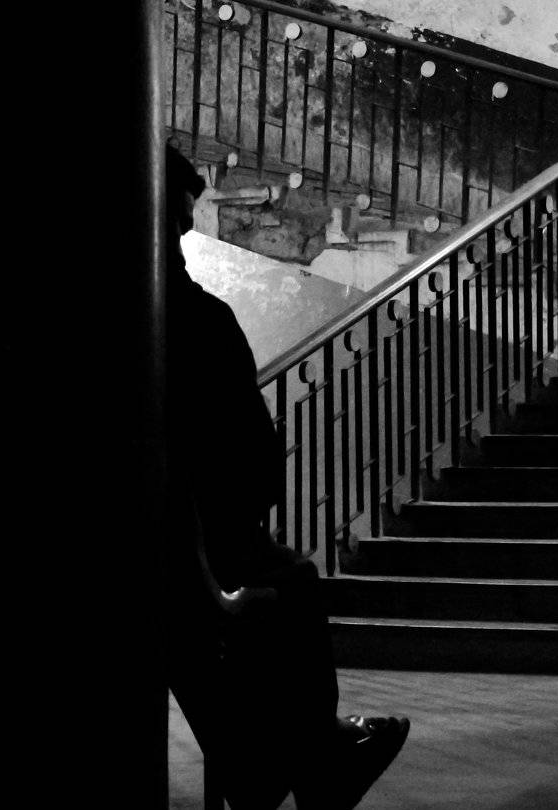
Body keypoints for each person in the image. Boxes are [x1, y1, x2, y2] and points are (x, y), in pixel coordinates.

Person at [162, 144, 409, 809]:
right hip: (193, 547)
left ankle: (278, 759)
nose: (180, 247)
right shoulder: (193, 319)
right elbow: (244, 458)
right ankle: (295, 760)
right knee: (286, 586)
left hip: (188, 538)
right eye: (177, 227)